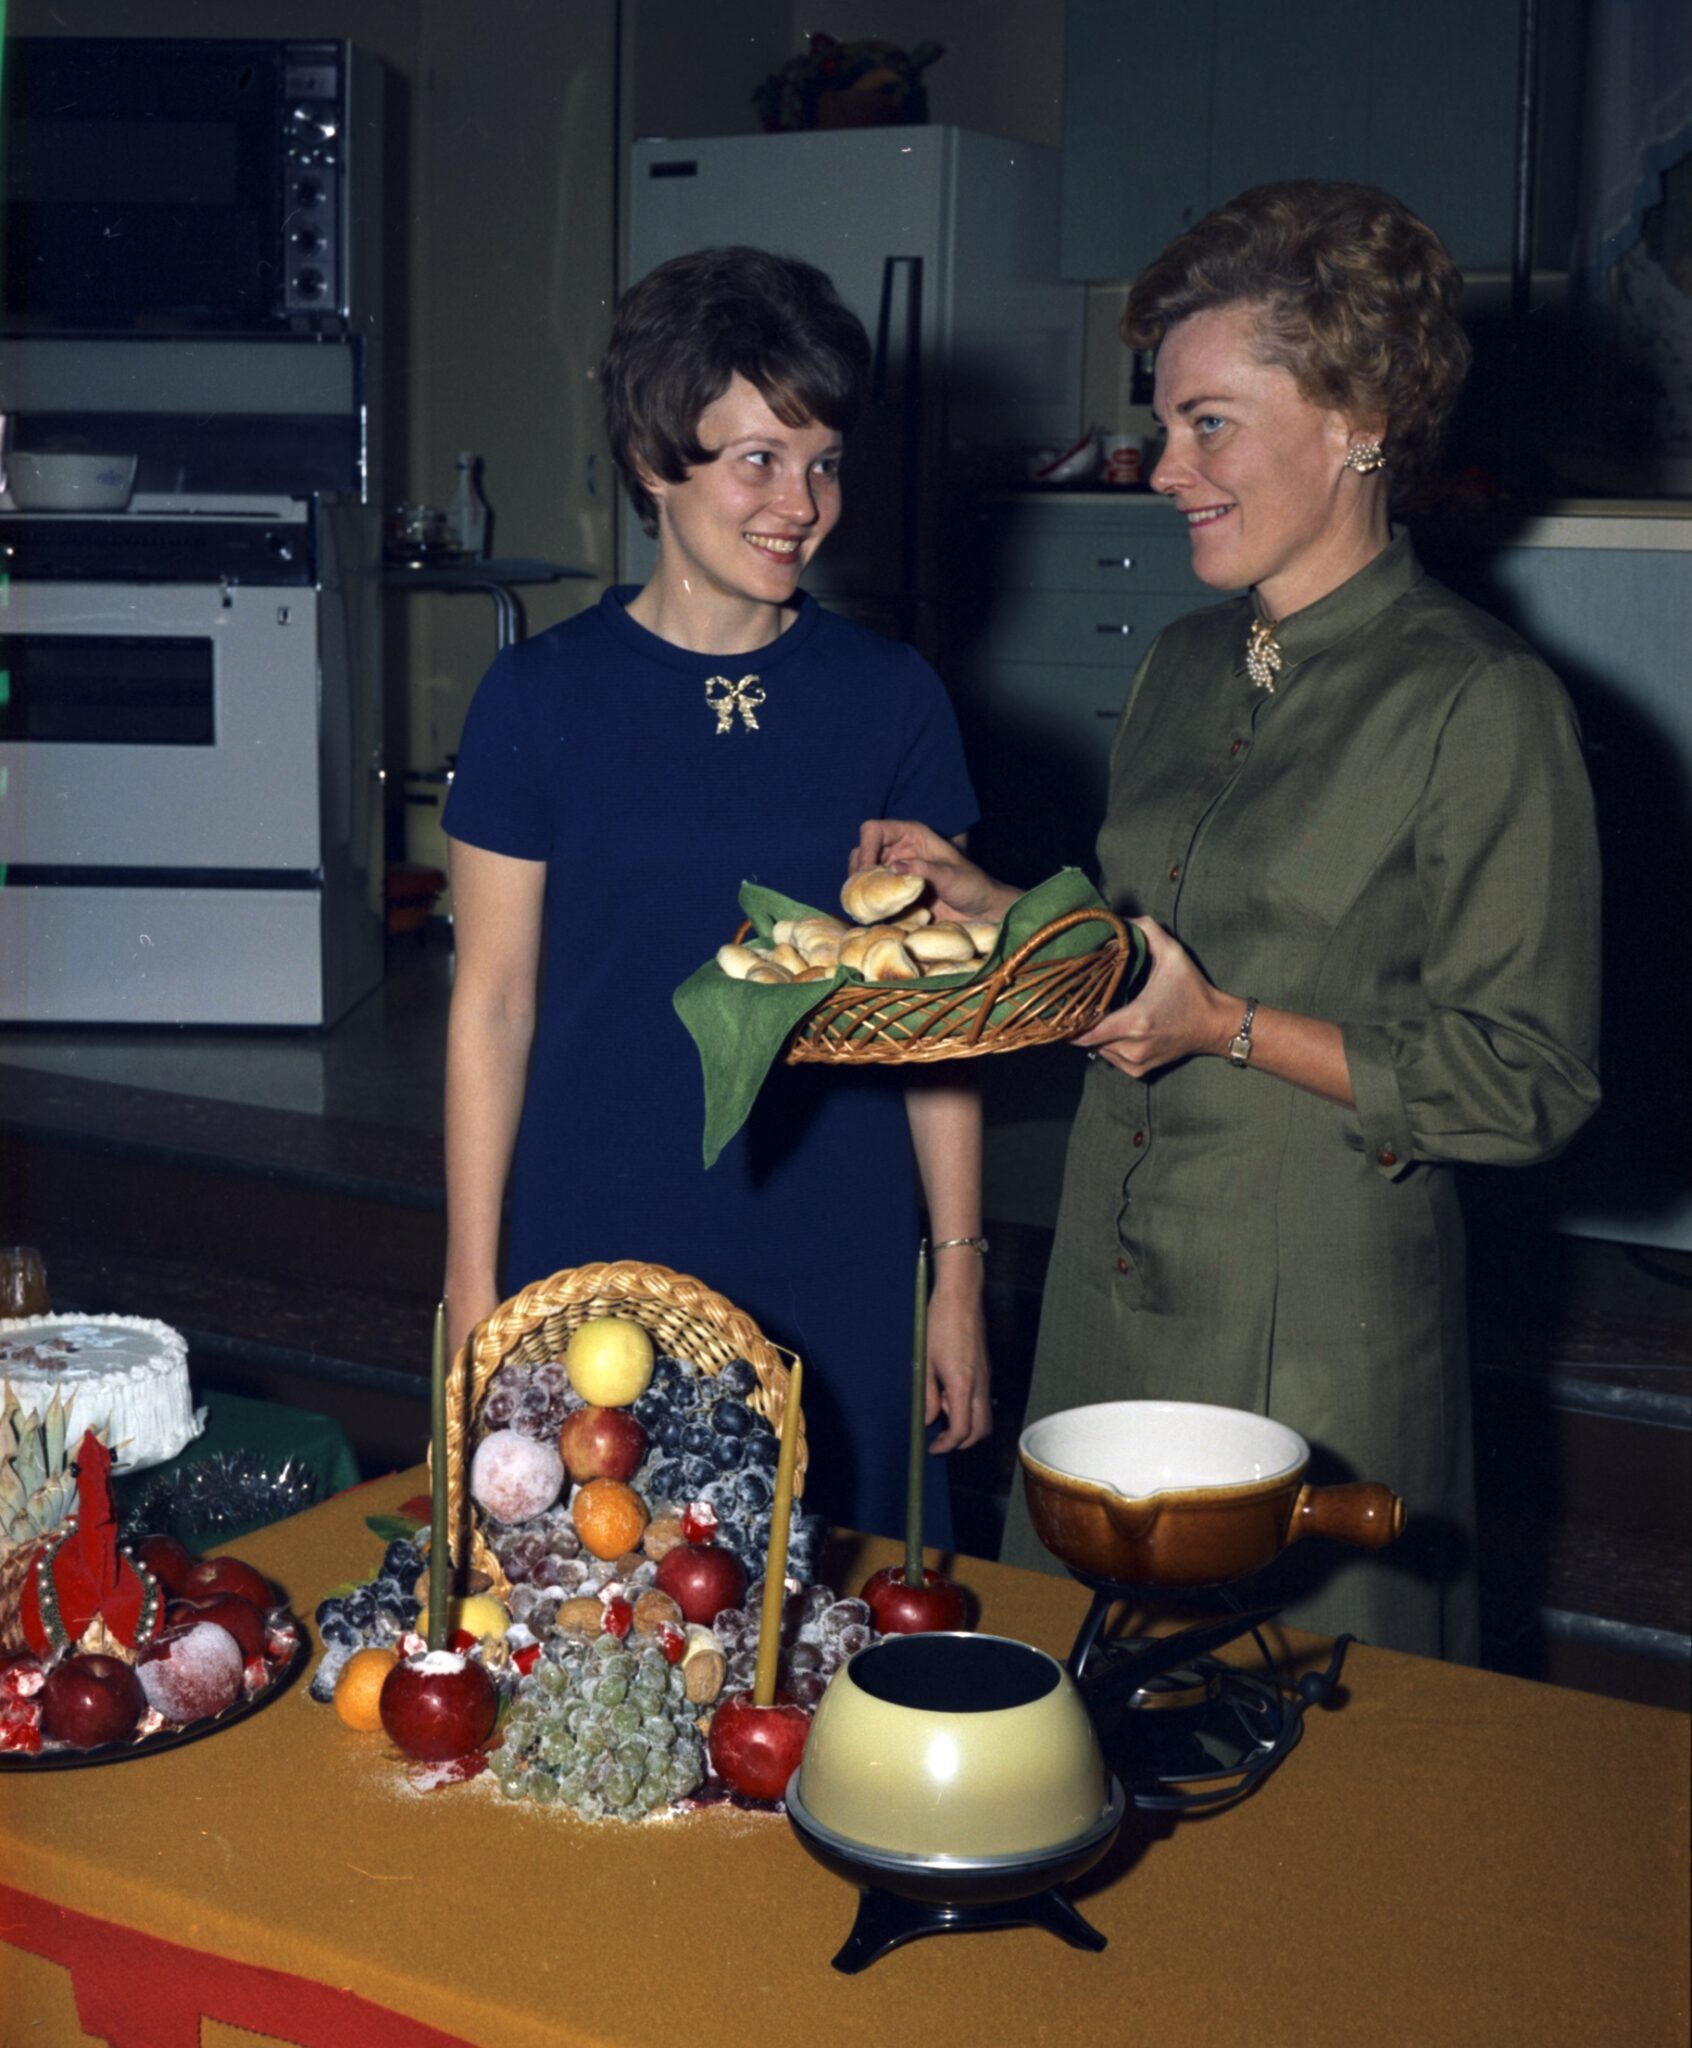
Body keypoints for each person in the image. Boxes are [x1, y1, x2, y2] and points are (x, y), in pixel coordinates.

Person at [853, 182, 1601, 1659]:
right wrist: (1004, 909)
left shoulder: (1480, 701)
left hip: (1316, 1334)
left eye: (1209, 423)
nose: (1160, 469)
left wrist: (1230, 1032)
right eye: (1162, 422)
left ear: (1359, 417)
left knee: (1306, 1788)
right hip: (1110, 1295)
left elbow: (1531, 1082)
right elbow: (1155, 948)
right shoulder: (1187, 663)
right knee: (1084, 1725)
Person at [442, 245, 990, 1546]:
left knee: (833, 1650)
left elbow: (943, 1015)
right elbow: (495, 1006)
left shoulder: (890, 698)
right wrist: (472, 1286)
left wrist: (954, 1278)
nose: (800, 503)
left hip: (840, 1253)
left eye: (824, 462)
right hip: (599, 1249)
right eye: (756, 458)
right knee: (606, 1624)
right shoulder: (537, 699)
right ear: (651, 461)